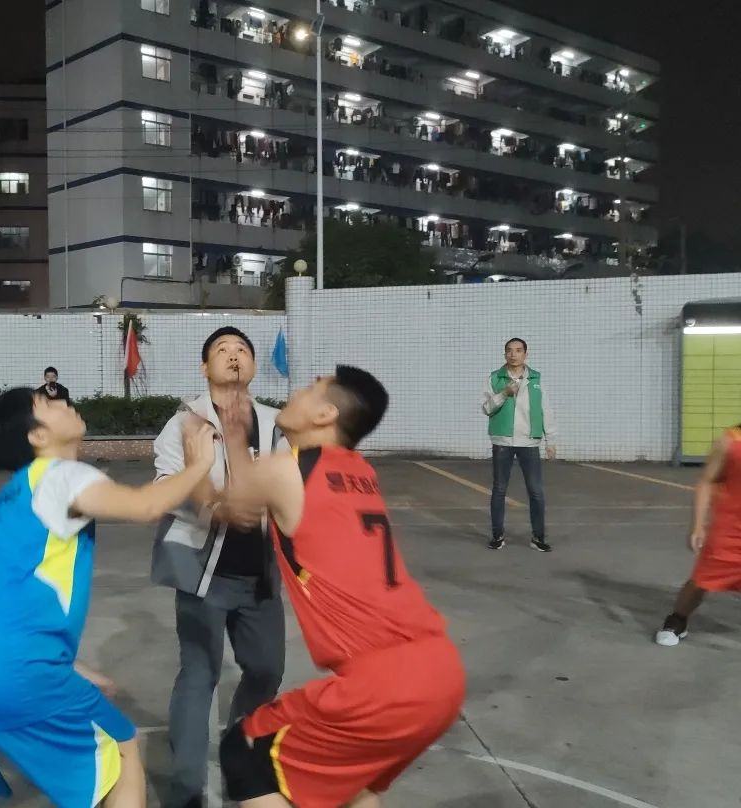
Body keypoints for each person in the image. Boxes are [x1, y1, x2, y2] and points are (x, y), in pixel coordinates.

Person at [0, 387, 218, 808]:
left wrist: (68, 664)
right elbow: (144, 506)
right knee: (120, 747)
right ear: (37, 436)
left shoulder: (9, 501)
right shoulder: (60, 475)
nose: (63, 401)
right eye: (48, 404)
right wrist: (199, 465)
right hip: (5, 669)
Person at [208, 366, 465, 808]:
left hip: (383, 685)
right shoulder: (360, 471)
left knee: (244, 751)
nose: (297, 391)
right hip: (440, 672)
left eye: (311, 388)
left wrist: (227, 438)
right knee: (346, 787)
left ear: (325, 414)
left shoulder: (287, 471)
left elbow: (234, 505)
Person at [151, 326, 287, 808]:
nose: (234, 356)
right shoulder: (184, 424)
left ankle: (239, 753)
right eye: (222, 350)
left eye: (242, 349)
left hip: (259, 574)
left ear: (253, 365)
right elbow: (167, 488)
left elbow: (288, 487)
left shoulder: (274, 425)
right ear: (204, 367)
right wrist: (213, 501)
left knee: (267, 669)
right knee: (199, 673)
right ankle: (187, 789)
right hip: (201, 573)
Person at [656, 427, 741, 646]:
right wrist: (698, 525)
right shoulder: (730, 441)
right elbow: (707, 481)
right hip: (730, 529)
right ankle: (677, 620)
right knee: (702, 579)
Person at [481, 337, 558, 552]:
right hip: (502, 441)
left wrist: (551, 440)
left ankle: (538, 537)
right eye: (509, 350)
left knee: (536, 491)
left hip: (529, 442)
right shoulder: (495, 378)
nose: (513, 354)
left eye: (518, 350)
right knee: (499, 489)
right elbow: (486, 408)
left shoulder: (535, 379)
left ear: (525, 354)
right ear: (504, 354)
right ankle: (497, 536)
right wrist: (504, 393)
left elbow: (546, 410)